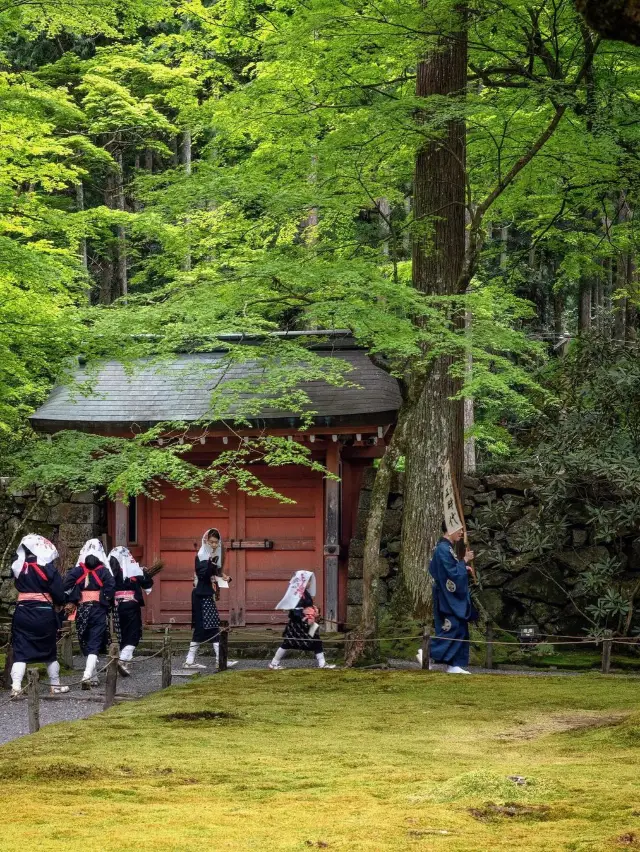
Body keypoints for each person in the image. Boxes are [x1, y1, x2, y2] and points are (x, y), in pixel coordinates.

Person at [9, 534, 69, 698]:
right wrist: (61, 601)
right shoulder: (47, 567)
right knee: (49, 651)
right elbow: (58, 592)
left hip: (22, 612)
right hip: (43, 613)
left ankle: (16, 687)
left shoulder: (17, 566)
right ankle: (55, 685)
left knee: (20, 651)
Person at [417, 525, 475, 674]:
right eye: (459, 529)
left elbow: (452, 570)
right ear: (450, 529)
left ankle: (453, 664)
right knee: (452, 626)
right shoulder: (443, 549)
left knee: (460, 627)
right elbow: (451, 574)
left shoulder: (447, 548)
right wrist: (464, 561)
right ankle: (427, 652)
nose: (462, 532)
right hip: (447, 596)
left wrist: (463, 567)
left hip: (448, 594)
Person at [63, 538, 115, 689]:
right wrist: (104, 599)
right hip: (98, 609)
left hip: (82, 610)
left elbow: (65, 585)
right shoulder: (104, 571)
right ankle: (88, 675)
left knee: (84, 639)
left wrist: (71, 598)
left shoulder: (77, 571)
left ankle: (92, 676)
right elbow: (111, 589)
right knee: (95, 641)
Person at [184, 528, 237, 669]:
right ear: (206, 541)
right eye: (211, 542)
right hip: (201, 596)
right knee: (208, 627)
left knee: (211, 626)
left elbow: (213, 574)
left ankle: (197, 660)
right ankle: (217, 659)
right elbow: (203, 576)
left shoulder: (212, 557)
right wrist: (211, 562)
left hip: (207, 595)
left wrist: (224, 577)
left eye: (216, 542)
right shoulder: (201, 556)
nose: (214, 545)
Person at [269, 571, 335, 670]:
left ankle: (322, 663)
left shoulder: (304, 592)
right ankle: (274, 663)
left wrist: (314, 612)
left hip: (309, 622)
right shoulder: (297, 594)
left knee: (317, 640)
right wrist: (304, 618)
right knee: (287, 643)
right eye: (308, 581)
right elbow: (296, 610)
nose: (309, 584)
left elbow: (307, 606)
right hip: (298, 623)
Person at [108, 546, 154, 676]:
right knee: (133, 635)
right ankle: (122, 660)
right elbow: (148, 585)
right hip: (131, 606)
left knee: (122, 634)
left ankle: (125, 663)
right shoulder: (134, 570)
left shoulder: (111, 571)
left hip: (117, 607)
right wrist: (145, 573)